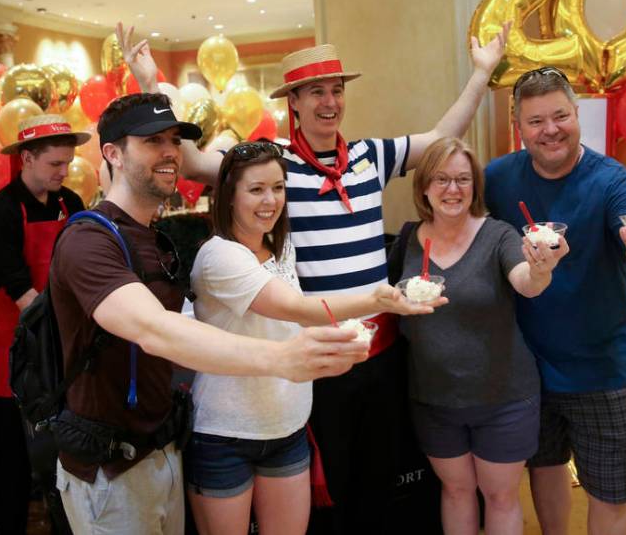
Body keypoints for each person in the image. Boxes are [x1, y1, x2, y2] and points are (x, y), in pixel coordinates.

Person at [117, 20, 508, 533]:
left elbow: (440, 138)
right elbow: (189, 161)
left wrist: (481, 74)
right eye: (316, 92)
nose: (329, 102)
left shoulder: (371, 156)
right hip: (318, 353)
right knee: (329, 490)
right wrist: (150, 77)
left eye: (336, 90)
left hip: (384, 353)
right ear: (293, 102)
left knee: (385, 479)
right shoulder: (271, 166)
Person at [48, 94, 369, 535]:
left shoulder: (154, 238)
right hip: (109, 466)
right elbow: (154, 330)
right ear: (112, 154)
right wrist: (281, 358)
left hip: (164, 448)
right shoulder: (88, 239)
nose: (169, 152)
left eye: (175, 141)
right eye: (152, 140)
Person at [187, 140, 442, 535]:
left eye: (278, 187)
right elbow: (294, 307)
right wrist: (377, 300)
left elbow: (293, 323)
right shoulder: (219, 256)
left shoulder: (280, 245)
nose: (270, 200)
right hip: (227, 434)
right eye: (256, 189)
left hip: (287, 427)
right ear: (229, 195)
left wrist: (341, 334)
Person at [483, 67, 626, 535]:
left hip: (600, 368)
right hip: (528, 366)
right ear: (519, 126)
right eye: (535, 121)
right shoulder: (498, 179)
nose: (550, 130)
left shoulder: (614, 182)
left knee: (610, 494)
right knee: (545, 470)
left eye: (560, 116)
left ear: (576, 115)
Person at [390, 137, 567, 535]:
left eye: (463, 179)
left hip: (502, 397)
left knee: (500, 497)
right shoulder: (407, 239)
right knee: (455, 490)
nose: (453, 189)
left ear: (475, 187)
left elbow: (525, 282)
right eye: (441, 179)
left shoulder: (498, 235)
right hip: (433, 399)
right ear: (423, 187)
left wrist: (541, 269)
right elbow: (384, 298)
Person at [0, 114, 89, 534]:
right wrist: (56, 328)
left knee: (66, 442)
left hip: (62, 336)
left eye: (67, 163)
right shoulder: (2, 210)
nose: (65, 172)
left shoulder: (72, 203)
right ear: (26, 158)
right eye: (55, 165)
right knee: (13, 453)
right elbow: (17, 286)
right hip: (11, 342)